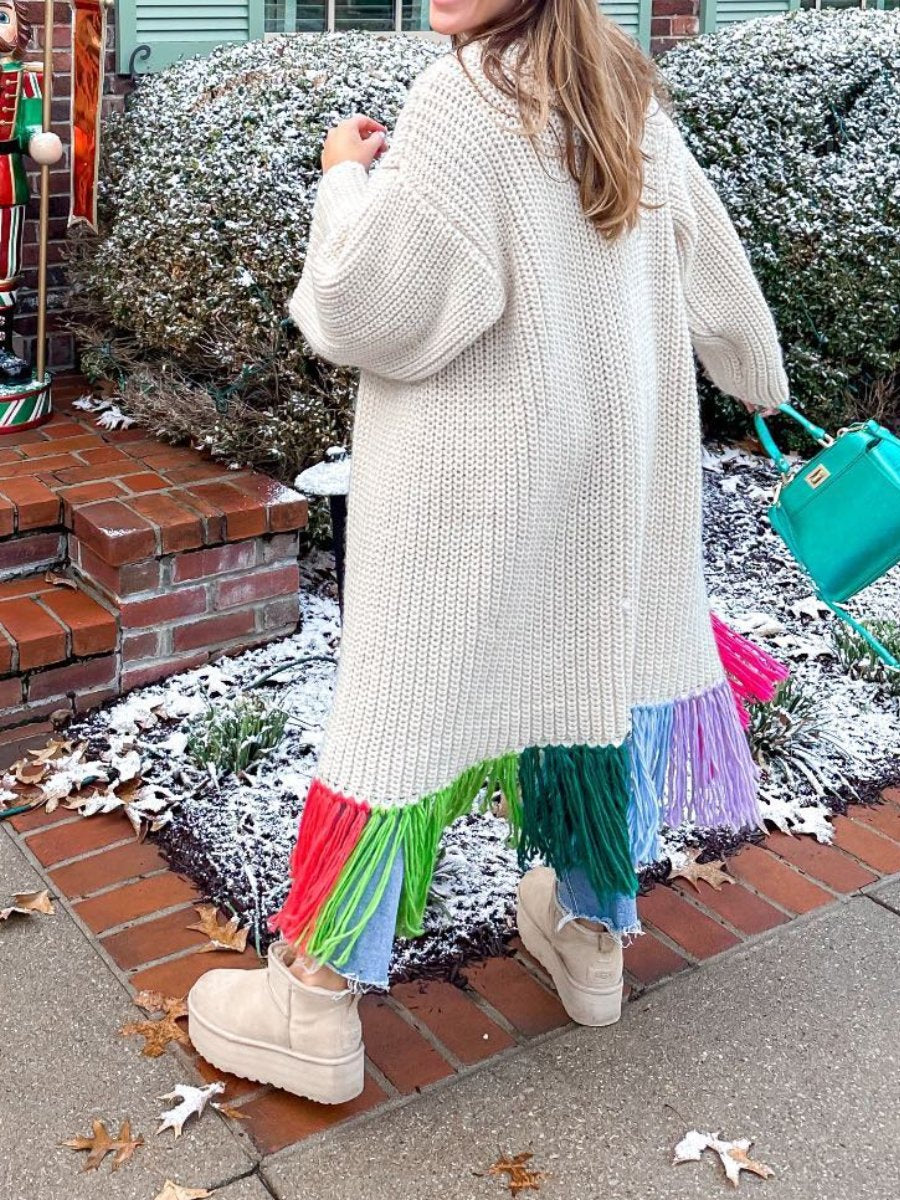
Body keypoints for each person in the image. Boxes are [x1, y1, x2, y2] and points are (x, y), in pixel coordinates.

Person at [188, 0, 788, 1105]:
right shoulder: (624, 89)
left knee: (401, 719)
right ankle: (593, 936)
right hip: (611, 487)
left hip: (470, 503)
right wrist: (762, 378)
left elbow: (365, 309)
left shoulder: (465, 99)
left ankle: (313, 1000)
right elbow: (723, 285)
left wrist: (341, 179)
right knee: (585, 689)